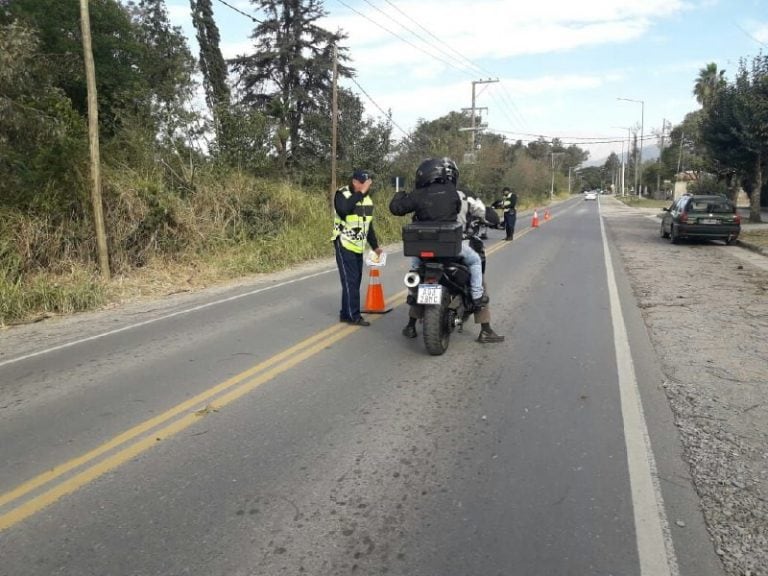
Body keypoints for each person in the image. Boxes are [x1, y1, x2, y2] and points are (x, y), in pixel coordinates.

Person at [391, 158, 504, 343]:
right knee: (478, 273)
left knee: (418, 274)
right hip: (457, 245)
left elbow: (400, 207)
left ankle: (411, 324)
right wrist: (493, 219)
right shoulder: (462, 195)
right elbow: (488, 215)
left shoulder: (420, 194)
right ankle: (485, 328)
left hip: (425, 247)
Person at [332, 169, 383, 326]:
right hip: (344, 242)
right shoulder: (342, 194)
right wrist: (360, 194)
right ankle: (354, 316)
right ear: (355, 182)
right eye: (363, 183)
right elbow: (344, 209)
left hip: (358, 246)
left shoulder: (367, 200)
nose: (366, 187)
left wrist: (375, 246)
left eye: (368, 184)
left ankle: (345, 314)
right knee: (351, 281)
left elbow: (368, 225)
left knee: (354, 281)